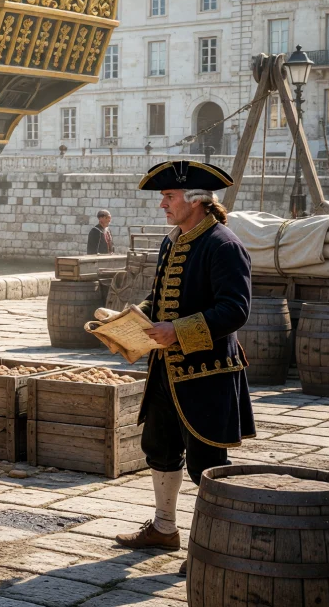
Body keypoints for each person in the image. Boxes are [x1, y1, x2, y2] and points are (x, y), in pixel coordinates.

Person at [112, 161, 254, 576]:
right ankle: (164, 528)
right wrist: (128, 322)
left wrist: (178, 330)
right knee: (159, 448)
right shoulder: (171, 242)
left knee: (206, 463)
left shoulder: (224, 244)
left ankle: (211, 546)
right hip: (165, 371)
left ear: (196, 201)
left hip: (207, 373)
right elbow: (161, 301)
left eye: (169, 197)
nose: (163, 205)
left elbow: (235, 311)